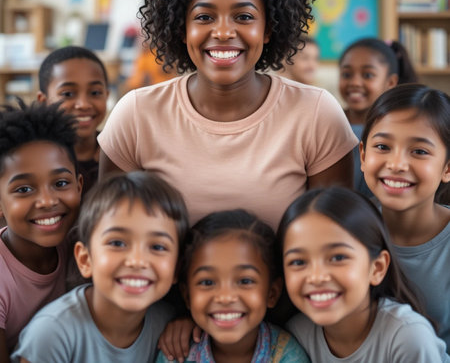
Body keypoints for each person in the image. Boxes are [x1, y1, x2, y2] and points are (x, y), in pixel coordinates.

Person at [98, 0, 358, 230]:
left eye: (244, 17)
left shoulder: (317, 114)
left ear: (269, 28)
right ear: (182, 29)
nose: (222, 32)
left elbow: (334, 242)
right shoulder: (135, 115)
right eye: (204, 17)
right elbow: (110, 236)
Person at [12, 171, 189, 363]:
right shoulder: (52, 333)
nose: (137, 261)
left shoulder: (169, 325)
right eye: (117, 243)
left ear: (176, 268)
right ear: (85, 259)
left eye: (157, 247)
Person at [278, 186, 449, 362]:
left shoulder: (409, 337)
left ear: (377, 268)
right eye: (298, 262)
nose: (316, 276)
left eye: (338, 257)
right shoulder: (294, 336)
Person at [360, 84, 450, 351]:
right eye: (383, 146)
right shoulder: (346, 230)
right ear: (363, 155)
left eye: (419, 151)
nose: (397, 164)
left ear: (447, 167)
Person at [156, 209, 310, 363]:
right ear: (187, 295)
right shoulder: (175, 355)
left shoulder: (287, 355)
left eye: (245, 281)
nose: (225, 297)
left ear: (272, 293)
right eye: (207, 282)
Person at [0, 100, 82, 360]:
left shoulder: (84, 247)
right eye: (24, 189)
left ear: (80, 186)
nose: (47, 201)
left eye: (60, 183)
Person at [338, 37, 418, 197]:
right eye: (347, 74)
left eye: (367, 75)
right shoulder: (328, 121)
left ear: (390, 82)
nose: (355, 82)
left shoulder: (401, 128)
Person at [37, 45, 109, 196]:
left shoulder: (118, 154)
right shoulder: (33, 159)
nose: (83, 104)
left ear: (107, 96)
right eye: (68, 94)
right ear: (43, 101)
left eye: (95, 92)